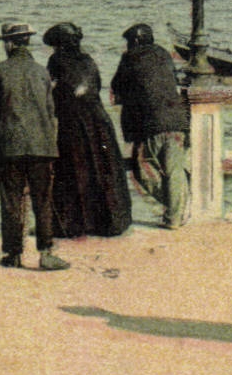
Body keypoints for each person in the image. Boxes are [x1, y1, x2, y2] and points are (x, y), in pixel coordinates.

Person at [0, 22, 69, 269]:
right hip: (42, 146)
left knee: (11, 200)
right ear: (27, 42)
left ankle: (14, 253)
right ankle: (46, 253)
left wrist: (0, 132)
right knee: (42, 199)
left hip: (11, 147)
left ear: (8, 44)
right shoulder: (42, 72)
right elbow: (51, 111)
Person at [43, 22, 132, 238]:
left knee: (73, 171)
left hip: (73, 123)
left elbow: (51, 92)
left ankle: (73, 225)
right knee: (103, 170)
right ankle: (109, 222)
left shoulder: (56, 61)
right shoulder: (88, 60)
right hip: (98, 121)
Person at [110, 22, 191, 229]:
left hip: (151, 124)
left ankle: (175, 207)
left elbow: (117, 86)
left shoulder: (130, 58)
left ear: (135, 41)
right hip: (177, 121)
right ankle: (176, 212)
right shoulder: (163, 54)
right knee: (174, 170)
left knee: (141, 170)